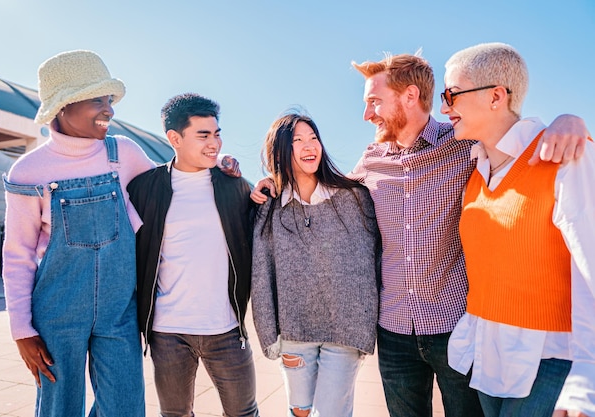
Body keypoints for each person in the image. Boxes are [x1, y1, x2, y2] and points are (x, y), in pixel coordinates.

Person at [250, 52, 588, 417]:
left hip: (453, 325)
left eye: (374, 102)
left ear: (410, 96)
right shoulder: (370, 161)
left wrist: (568, 122)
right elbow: (322, 191)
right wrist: (271, 182)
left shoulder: (464, 145)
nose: (367, 114)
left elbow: (511, 137)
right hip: (394, 331)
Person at [441, 42, 595, 417]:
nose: (444, 108)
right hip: (488, 361)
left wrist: (585, 385)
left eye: (451, 94)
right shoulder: (474, 174)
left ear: (497, 96)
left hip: (550, 361)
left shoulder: (567, 157)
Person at [1, 50, 154, 416]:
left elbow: (171, 190)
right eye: (97, 100)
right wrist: (22, 330)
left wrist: (221, 169)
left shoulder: (124, 154)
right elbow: (18, 255)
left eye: (109, 100)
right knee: (60, 409)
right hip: (56, 314)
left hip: (119, 311)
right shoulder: (28, 171)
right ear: (63, 106)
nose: (109, 110)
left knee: (125, 408)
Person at [127, 93, 259, 417]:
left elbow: (264, 224)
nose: (213, 143)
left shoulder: (234, 186)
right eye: (203, 135)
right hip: (168, 333)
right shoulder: (144, 189)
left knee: (244, 413)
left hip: (227, 329)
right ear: (175, 138)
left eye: (216, 133)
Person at [250, 112, 380, 417]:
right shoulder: (269, 207)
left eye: (313, 138)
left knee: (332, 413)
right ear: (280, 150)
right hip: (295, 335)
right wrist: (269, 333)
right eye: (297, 140)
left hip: (345, 334)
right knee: (300, 413)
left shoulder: (354, 198)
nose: (310, 146)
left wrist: (366, 322)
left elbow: (374, 259)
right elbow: (261, 273)